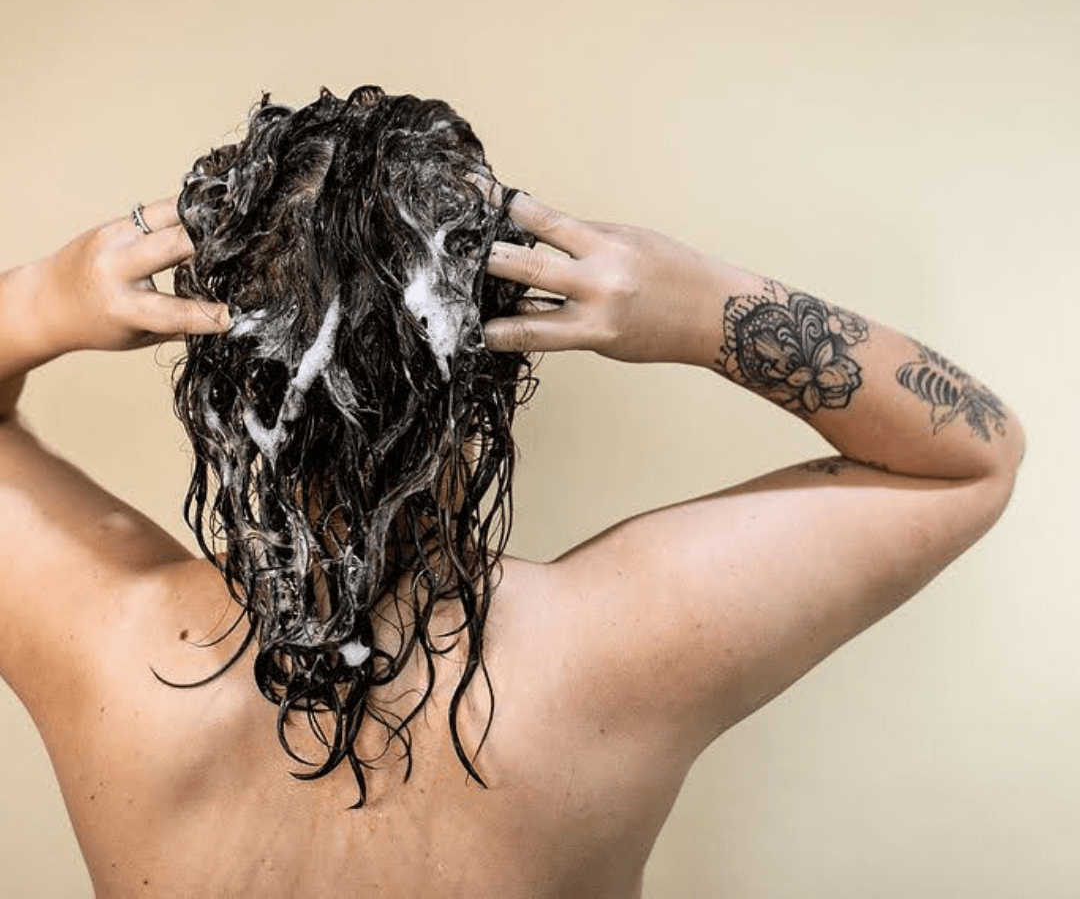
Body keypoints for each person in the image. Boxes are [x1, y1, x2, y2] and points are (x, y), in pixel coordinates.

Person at [0, 87, 1024, 898]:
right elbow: (970, 454)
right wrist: (702, 303)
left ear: (217, 368)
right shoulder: (621, 648)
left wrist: (48, 298)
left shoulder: (104, 643)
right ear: (493, 360)